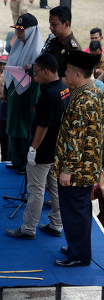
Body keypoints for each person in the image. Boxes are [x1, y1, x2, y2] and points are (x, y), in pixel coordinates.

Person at [5, 53, 70, 240]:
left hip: (42, 150)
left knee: (36, 190)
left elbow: (43, 125)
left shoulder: (48, 95)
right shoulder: (64, 88)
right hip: (56, 149)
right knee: (55, 190)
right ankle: (57, 224)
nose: (36, 75)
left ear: (47, 71)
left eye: (38, 71)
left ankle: (28, 228)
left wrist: (33, 149)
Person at [53, 51, 104, 267]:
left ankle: (79, 255)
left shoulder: (84, 99)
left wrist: (67, 169)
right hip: (86, 166)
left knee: (75, 212)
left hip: (78, 169)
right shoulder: (92, 91)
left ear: (76, 74)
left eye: (67, 70)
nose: (64, 73)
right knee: (79, 211)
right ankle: (78, 247)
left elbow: (76, 138)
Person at [4, 13, 43, 173]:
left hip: (28, 96)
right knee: (13, 126)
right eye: (17, 30)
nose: (18, 34)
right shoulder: (17, 46)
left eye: (21, 30)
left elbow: (39, 80)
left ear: (30, 31)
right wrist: (7, 90)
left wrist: (34, 101)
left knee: (25, 130)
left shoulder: (38, 51)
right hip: (15, 92)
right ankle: (16, 159)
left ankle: (27, 164)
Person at [45, 6, 81, 79]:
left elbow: (72, 81)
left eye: (54, 24)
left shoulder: (73, 49)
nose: (50, 27)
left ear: (66, 24)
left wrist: (48, 78)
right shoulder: (53, 41)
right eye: (50, 24)